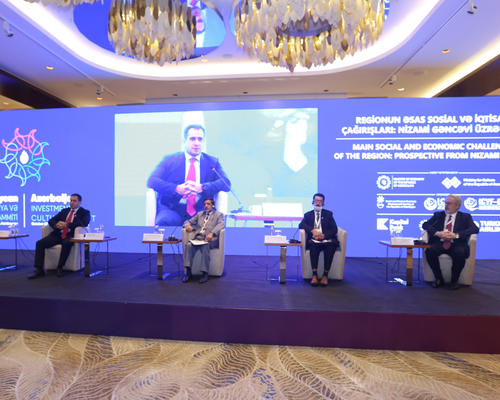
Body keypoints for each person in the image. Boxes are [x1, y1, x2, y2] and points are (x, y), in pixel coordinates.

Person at [147, 123, 231, 226]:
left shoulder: (212, 162)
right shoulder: (170, 160)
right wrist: (176, 189)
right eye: (192, 139)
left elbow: (226, 183)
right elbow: (152, 181)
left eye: (200, 139)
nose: (196, 143)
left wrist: (202, 187)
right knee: (165, 221)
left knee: (211, 223)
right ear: (184, 141)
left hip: (201, 209)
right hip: (172, 208)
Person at [422, 195, 479, 290]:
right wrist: (438, 233)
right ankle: (439, 279)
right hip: (440, 242)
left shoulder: (465, 217)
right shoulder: (438, 215)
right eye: (445, 203)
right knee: (430, 251)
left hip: (457, 243)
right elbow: (425, 225)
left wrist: (456, 235)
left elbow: (475, 229)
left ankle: (454, 281)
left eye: (449, 203)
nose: (446, 205)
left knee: (460, 253)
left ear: (457, 206)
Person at [28, 193, 90, 279]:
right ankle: (39, 269)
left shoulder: (84, 212)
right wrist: (56, 224)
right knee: (40, 243)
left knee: (66, 243)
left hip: (70, 235)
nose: (72, 202)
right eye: (71, 200)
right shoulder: (64, 211)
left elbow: (84, 223)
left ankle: (60, 267)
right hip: (58, 234)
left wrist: (67, 225)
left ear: (80, 202)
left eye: (74, 201)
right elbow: (51, 220)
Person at [299, 193, 339, 287]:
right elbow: (301, 225)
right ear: (313, 202)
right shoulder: (308, 215)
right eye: (316, 201)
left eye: (320, 201)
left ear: (323, 203)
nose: (318, 203)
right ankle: (314, 275)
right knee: (313, 246)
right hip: (314, 240)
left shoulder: (328, 214)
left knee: (330, 247)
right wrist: (312, 231)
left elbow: (334, 229)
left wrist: (324, 236)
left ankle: (325, 275)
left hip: (326, 240)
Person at [182, 198, 224, 284]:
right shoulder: (200, 214)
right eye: (205, 204)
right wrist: (187, 225)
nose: (206, 206)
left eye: (208, 204)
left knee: (205, 246)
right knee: (189, 245)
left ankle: (205, 273)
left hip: (210, 239)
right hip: (198, 238)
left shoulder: (218, 215)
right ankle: (188, 272)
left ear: (213, 205)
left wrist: (212, 233)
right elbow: (187, 221)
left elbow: (221, 224)